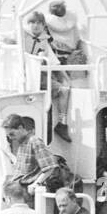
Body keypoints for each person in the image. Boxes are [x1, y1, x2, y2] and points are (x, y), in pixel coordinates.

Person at [24, 11, 72, 142]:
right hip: (23, 77)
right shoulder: (21, 36)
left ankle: (62, 123)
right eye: (32, 22)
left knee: (64, 90)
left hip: (40, 77)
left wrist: (66, 78)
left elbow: (54, 61)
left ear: (44, 25)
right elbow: (5, 39)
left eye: (39, 23)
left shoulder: (44, 41)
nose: (36, 26)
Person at [2, 114, 59, 198]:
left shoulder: (34, 141)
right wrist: (9, 154)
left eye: (12, 134)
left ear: (20, 128)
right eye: (8, 136)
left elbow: (50, 167)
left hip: (29, 191)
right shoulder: (21, 144)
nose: (10, 138)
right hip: (20, 191)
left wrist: (36, 184)